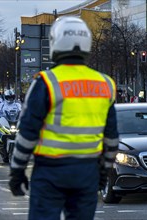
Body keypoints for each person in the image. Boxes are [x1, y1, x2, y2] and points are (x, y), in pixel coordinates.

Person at [8, 16, 119, 220]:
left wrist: (17, 170)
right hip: (87, 170)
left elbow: (27, 132)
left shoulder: (46, 82)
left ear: (55, 43)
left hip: (51, 171)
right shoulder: (105, 84)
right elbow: (111, 139)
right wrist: (104, 171)